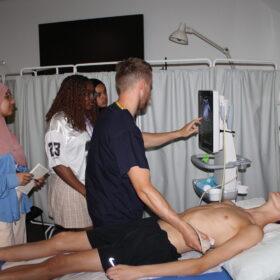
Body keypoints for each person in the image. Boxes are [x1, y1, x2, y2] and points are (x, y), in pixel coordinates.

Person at [1, 192, 280, 280]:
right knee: (60, 241)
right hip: (146, 226)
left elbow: (200, 264)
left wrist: (138, 272)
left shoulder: (253, 231)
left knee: (59, 265)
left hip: (154, 245)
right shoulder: (236, 204)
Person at [85, 57, 202, 250]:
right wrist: (184, 227)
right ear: (142, 85)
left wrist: (179, 133)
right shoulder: (123, 127)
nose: (150, 92)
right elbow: (144, 190)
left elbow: (138, 139)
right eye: (150, 86)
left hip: (102, 208)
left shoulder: (110, 114)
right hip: (117, 217)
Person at [45, 75, 98, 231]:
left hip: (86, 184)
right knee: (80, 239)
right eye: (87, 93)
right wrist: (83, 190)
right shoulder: (59, 122)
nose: (91, 98)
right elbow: (58, 163)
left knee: (89, 238)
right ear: (73, 94)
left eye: (92, 93)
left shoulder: (84, 119)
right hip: (71, 186)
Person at [0, 83, 43, 247]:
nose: (13, 100)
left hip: (16, 207)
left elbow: (12, 167)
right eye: (7, 96)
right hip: (2, 214)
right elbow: (10, 176)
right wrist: (14, 180)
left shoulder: (6, 133)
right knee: (5, 264)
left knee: (18, 257)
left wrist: (29, 178)